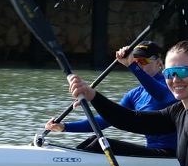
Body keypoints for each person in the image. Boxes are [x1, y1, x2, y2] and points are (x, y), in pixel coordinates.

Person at [45, 41, 177, 157]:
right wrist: (65, 127)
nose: (138, 65)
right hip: (153, 153)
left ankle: (69, 161)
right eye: (135, 61)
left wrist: (131, 64)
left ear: (159, 63)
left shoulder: (172, 87)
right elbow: (107, 119)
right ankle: (66, 158)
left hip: (174, 154)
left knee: (100, 143)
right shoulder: (134, 95)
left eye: (142, 61)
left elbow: (161, 96)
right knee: (94, 139)